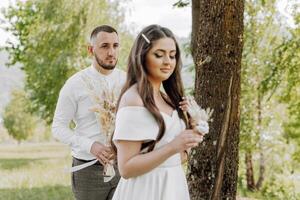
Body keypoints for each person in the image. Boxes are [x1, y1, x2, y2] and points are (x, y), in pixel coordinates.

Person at [111, 24, 204, 200]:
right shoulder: (133, 100)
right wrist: (173, 146)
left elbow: (176, 159)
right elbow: (126, 168)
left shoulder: (168, 99)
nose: (168, 61)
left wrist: (192, 129)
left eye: (172, 55)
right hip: (145, 190)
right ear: (142, 56)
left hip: (173, 187)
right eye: (159, 55)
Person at [52, 25, 125, 200]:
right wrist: (90, 145)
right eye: (105, 46)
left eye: (115, 46)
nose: (111, 52)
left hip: (123, 167)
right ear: (90, 50)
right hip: (87, 172)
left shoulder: (128, 79)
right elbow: (58, 127)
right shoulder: (74, 84)